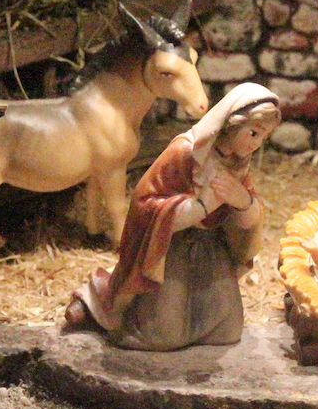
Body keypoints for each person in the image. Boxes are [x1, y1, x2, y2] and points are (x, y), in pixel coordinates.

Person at [65, 83, 281, 350]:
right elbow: (145, 203)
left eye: (264, 137)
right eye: (253, 133)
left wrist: (243, 202)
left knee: (226, 331)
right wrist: (201, 206)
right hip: (169, 252)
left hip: (210, 252)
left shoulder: (236, 161)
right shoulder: (185, 152)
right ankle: (97, 297)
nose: (257, 144)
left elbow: (248, 219)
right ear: (230, 125)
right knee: (160, 337)